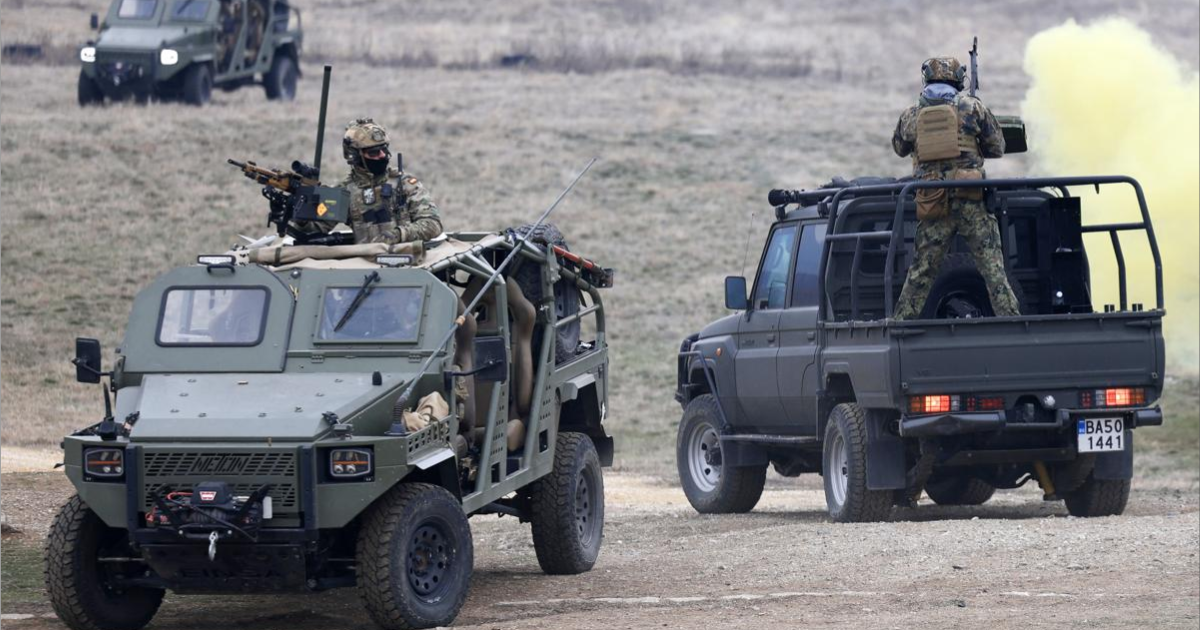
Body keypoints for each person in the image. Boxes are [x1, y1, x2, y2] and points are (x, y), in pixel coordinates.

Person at [891, 57, 1019, 320]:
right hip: (970, 198)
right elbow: (998, 147)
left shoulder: (911, 114)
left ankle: (901, 327)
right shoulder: (972, 108)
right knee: (993, 270)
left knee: (920, 273)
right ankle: (1013, 322)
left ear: (926, 78)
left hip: (933, 200)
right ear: (959, 80)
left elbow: (899, 147)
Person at [331, 118, 444, 245]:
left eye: (384, 149)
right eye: (373, 153)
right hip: (364, 262)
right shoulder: (343, 192)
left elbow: (433, 224)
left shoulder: (406, 184)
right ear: (355, 156)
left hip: (410, 259)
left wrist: (399, 234)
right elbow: (315, 227)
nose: (382, 156)